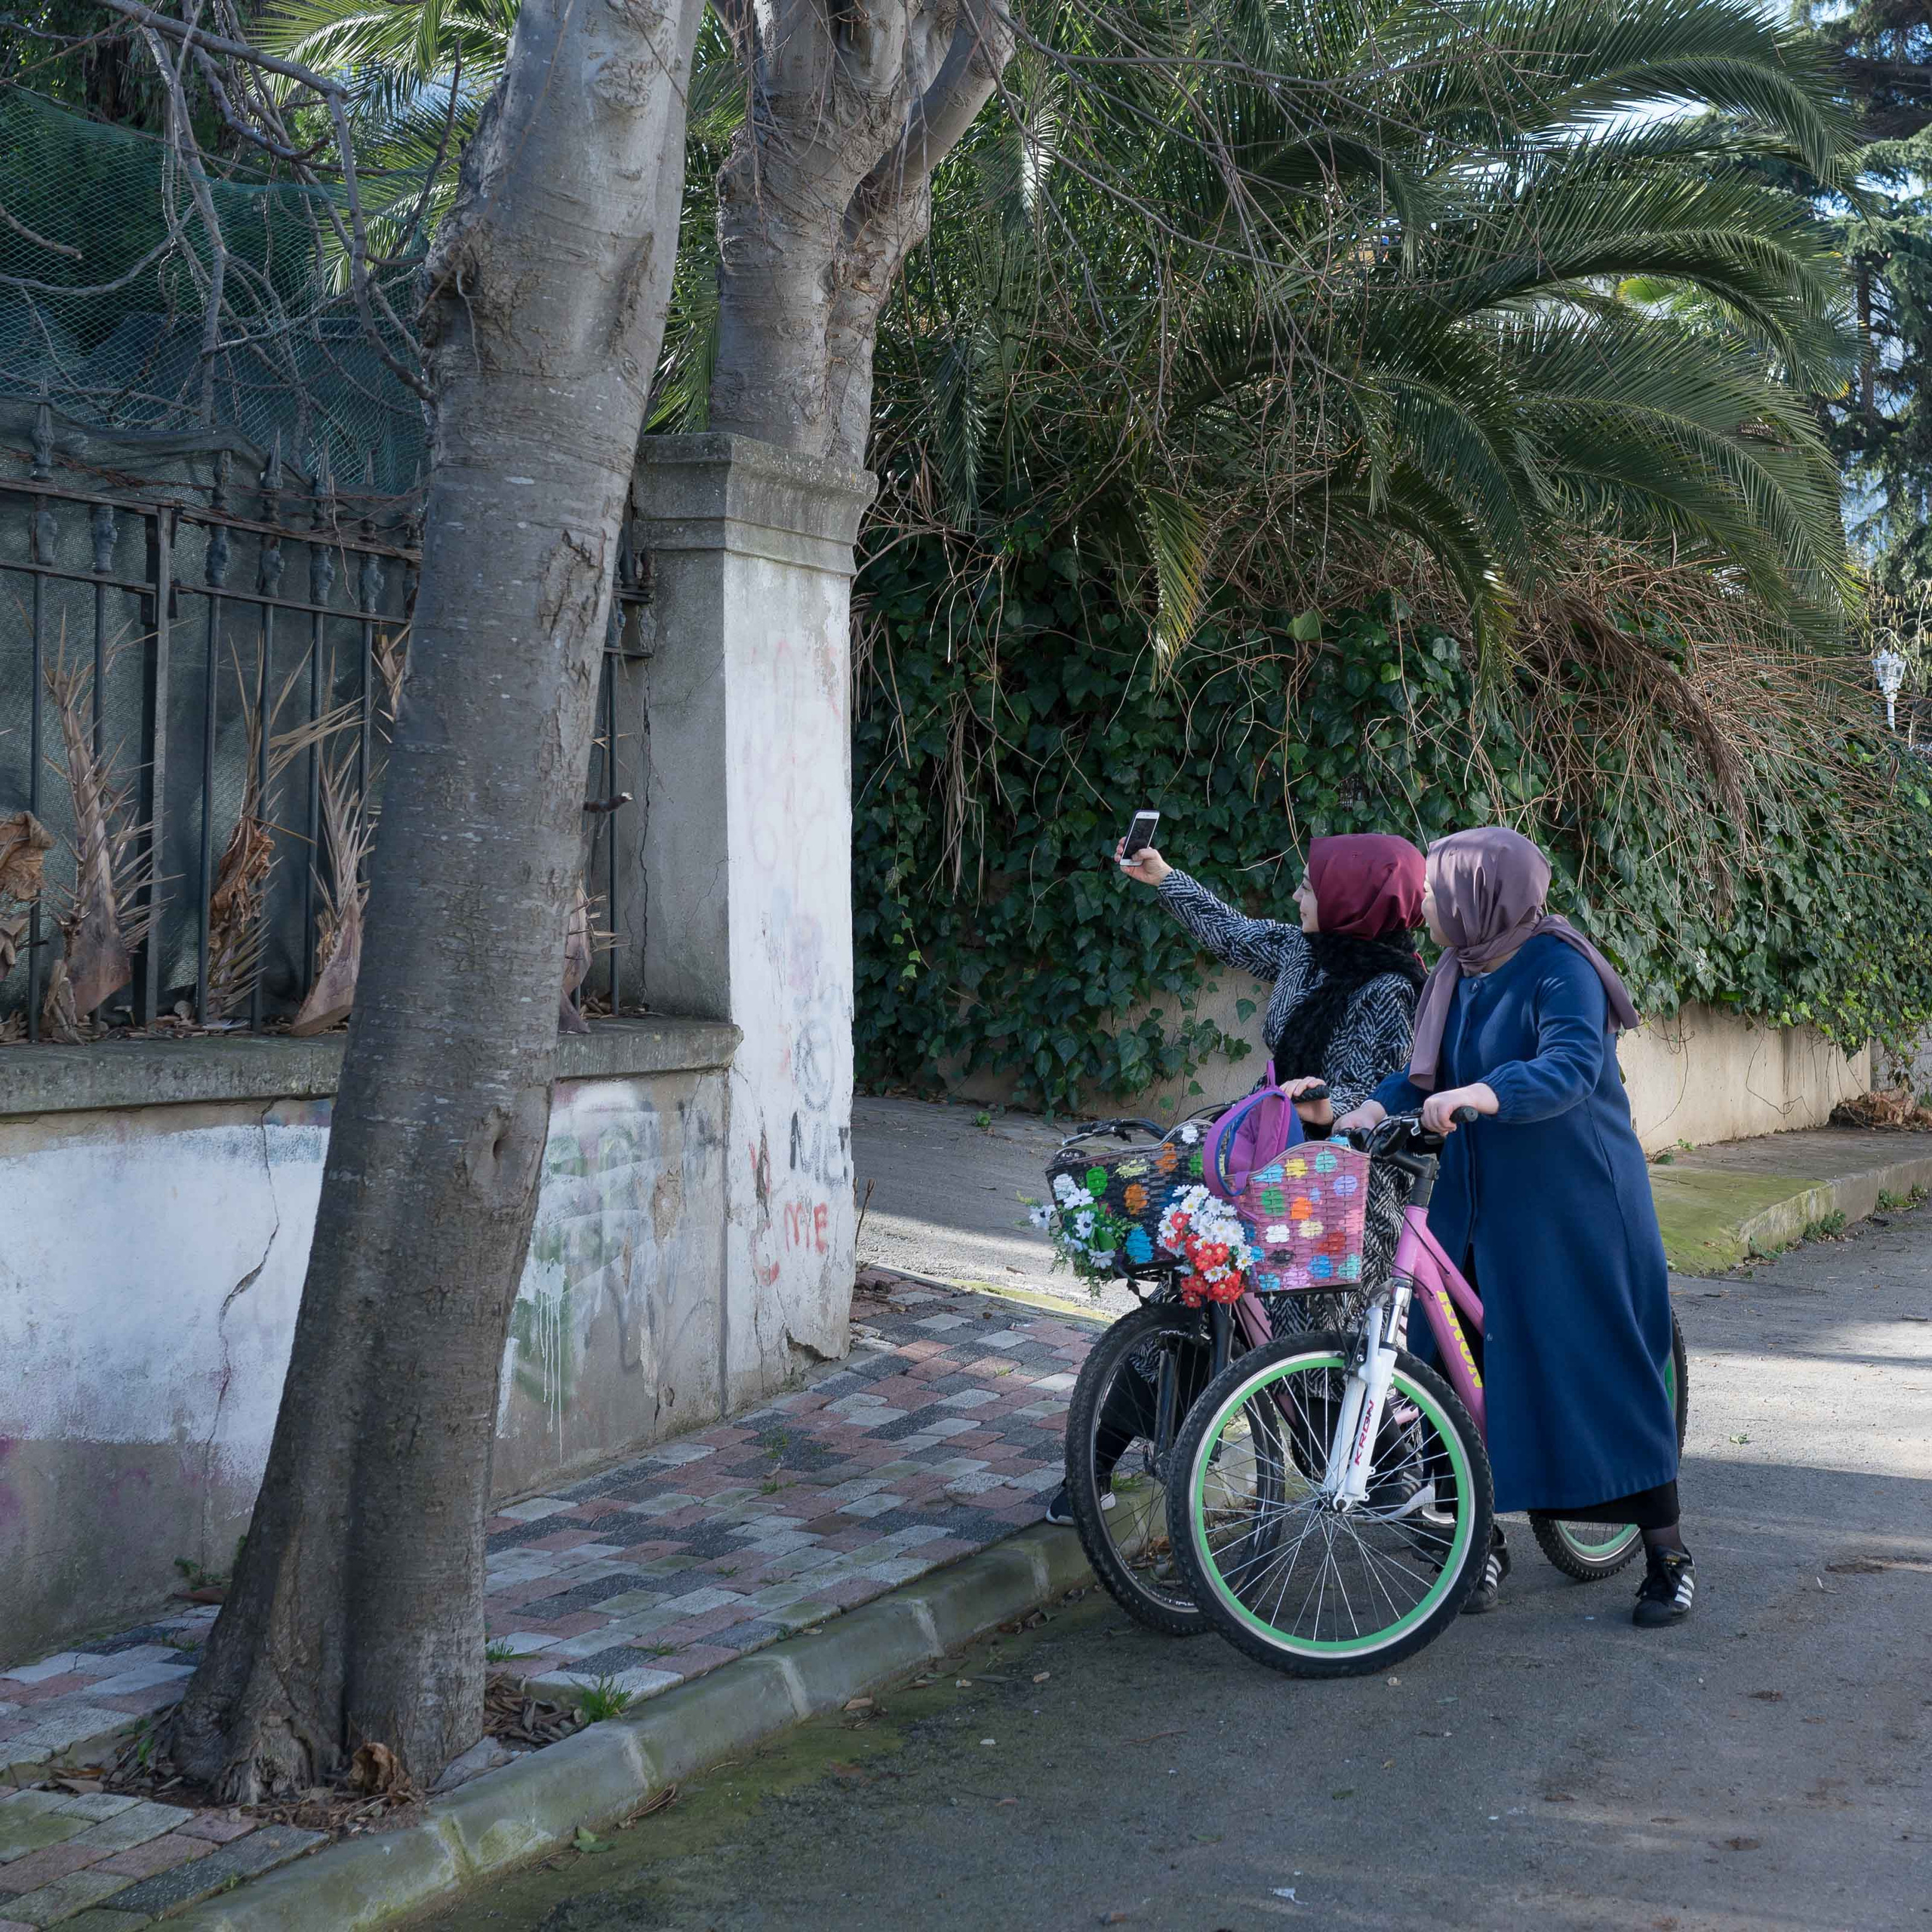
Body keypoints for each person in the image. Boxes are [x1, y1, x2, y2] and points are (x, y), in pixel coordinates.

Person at [1334, 826, 1694, 1629]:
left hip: (1572, 1204)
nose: (1420, 900)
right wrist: (1373, 1103)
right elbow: (1424, 1075)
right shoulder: (1458, 969)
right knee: (1453, 1357)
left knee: (1593, 1368)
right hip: (1475, 1195)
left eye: (1432, 888)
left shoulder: (1558, 964)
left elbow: (1570, 1063)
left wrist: (1486, 1094)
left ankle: (1667, 1555)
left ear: (1477, 892)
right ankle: (1479, 1541)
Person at [1043, 829, 1428, 1527]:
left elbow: (1371, 1102)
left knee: (1312, 1336)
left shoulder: (1392, 995)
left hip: (1339, 1180)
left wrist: (1322, 1111)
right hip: (1263, 1142)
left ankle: (1414, 1495)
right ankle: (1092, 1469)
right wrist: (1163, 875)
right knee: (1195, 1292)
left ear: (1351, 899)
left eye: (1310, 886)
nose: (1296, 894)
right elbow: (1234, 932)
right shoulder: (1306, 951)